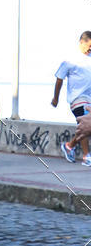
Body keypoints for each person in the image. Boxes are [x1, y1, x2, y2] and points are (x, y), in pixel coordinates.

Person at [51, 31, 91, 165]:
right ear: (81, 42)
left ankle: (69, 146)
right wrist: (55, 98)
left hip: (89, 98)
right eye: (89, 46)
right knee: (84, 121)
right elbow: (59, 79)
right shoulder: (70, 60)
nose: (90, 49)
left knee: (88, 126)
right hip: (77, 98)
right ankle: (86, 156)